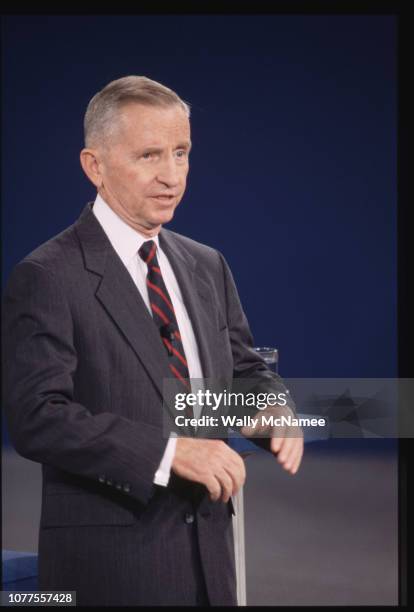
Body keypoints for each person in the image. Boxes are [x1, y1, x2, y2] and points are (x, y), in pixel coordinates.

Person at [2, 75, 304, 606]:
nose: (172, 176)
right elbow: (38, 417)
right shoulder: (48, 274)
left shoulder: (206, 264)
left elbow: (242, 372)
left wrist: (268, 407)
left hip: (210, 561)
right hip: (113, 567)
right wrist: (168, 452)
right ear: (94, 166)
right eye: (148, 155)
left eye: (181, 153)